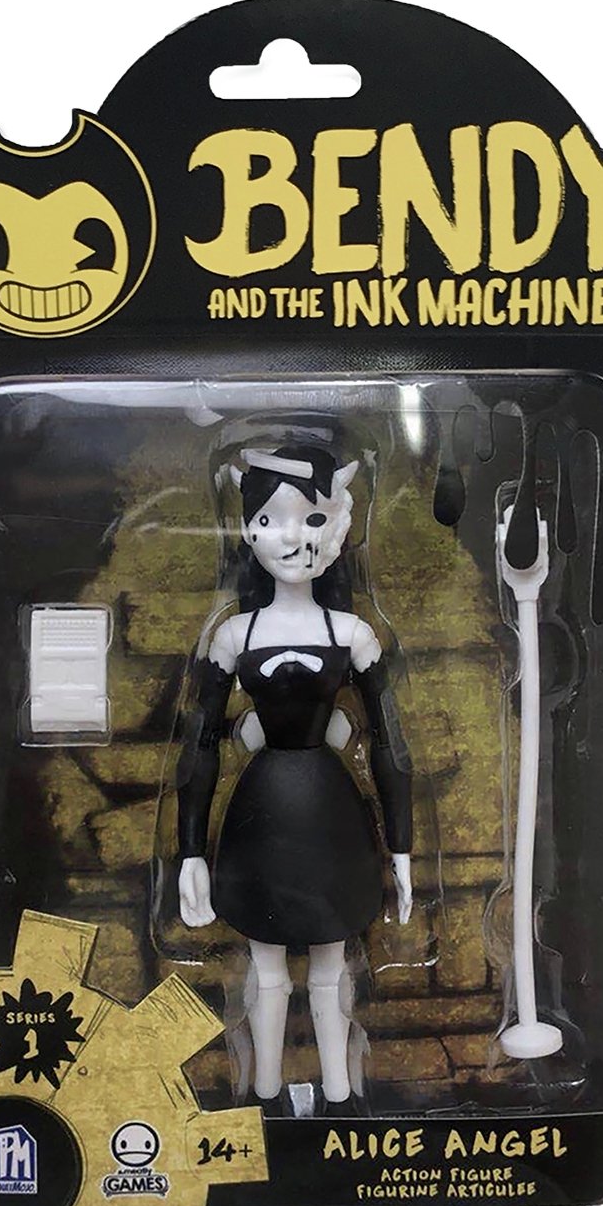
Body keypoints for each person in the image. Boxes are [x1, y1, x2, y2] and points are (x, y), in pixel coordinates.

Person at [176, 443, 413, 1115]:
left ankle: (339, 1090)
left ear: (337, 528)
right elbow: (200, 746)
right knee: (268, 966)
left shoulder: (353, 634)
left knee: (332, 962)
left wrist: (401, 847)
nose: (291, 538)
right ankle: (264, 1089)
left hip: (330, 818)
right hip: (263, 820)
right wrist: (191, 850)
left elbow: (390, 744)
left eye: (311, 520)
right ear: (248, 529)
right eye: (270, 520)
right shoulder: (234, 636)